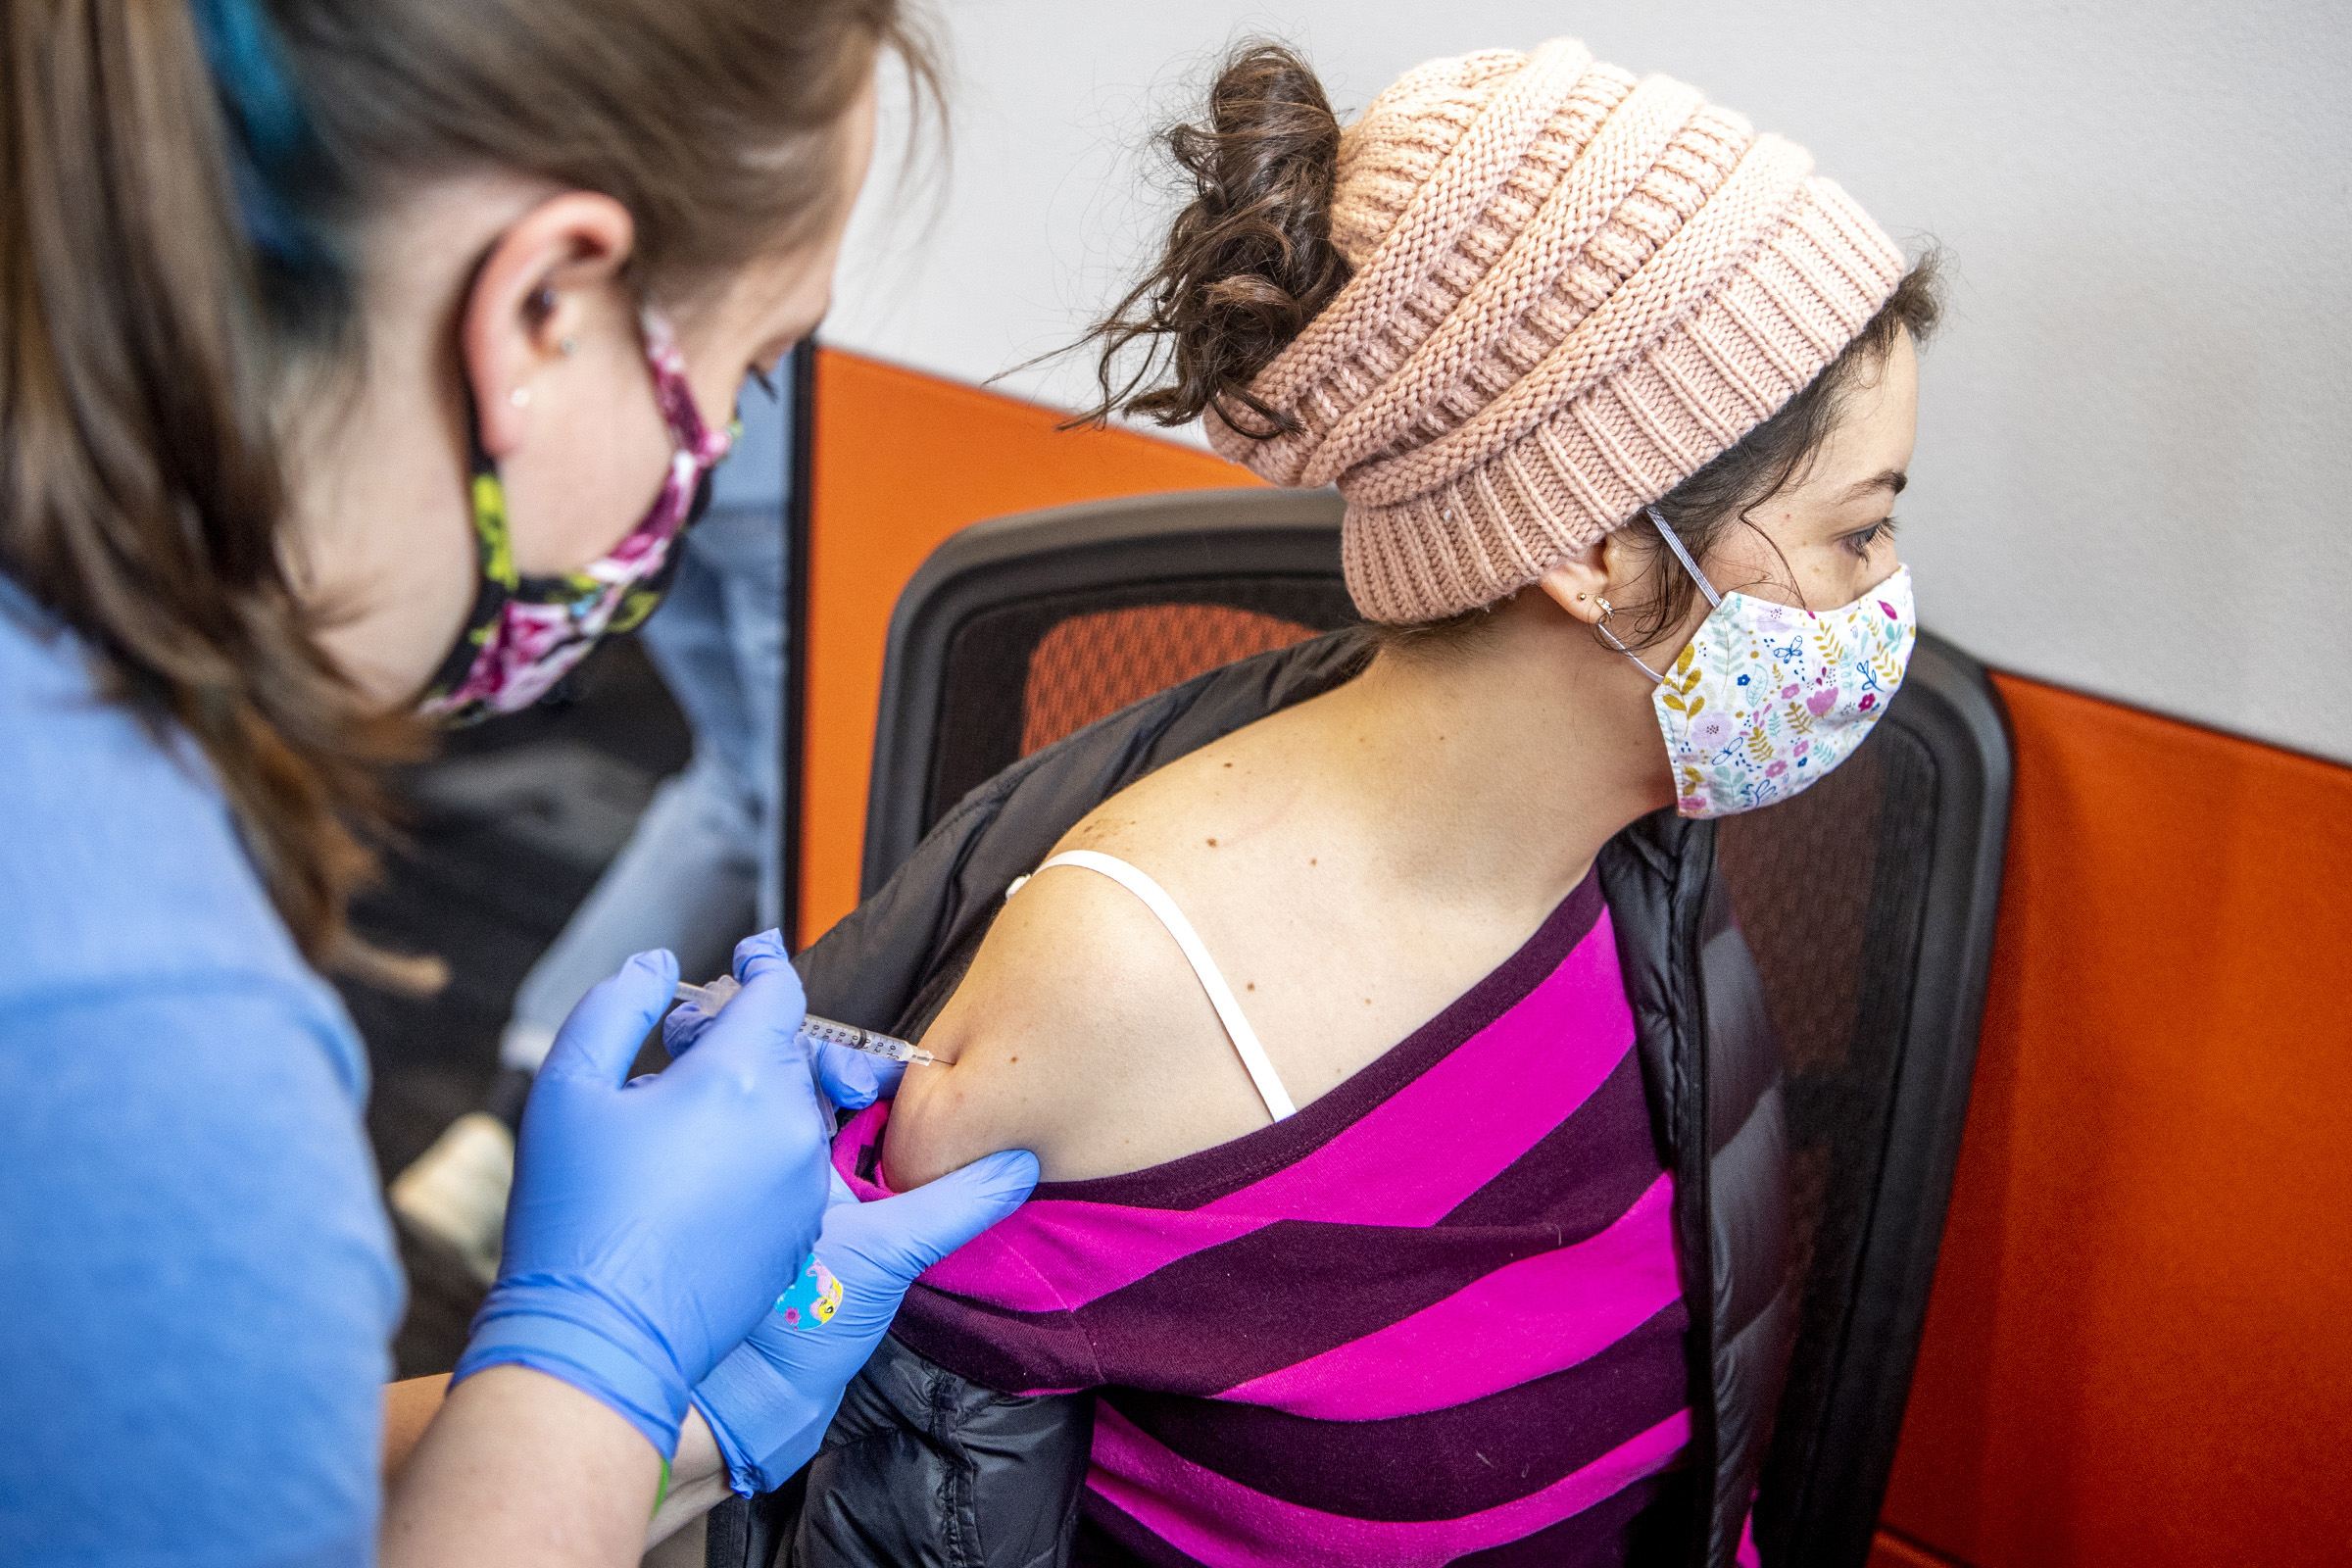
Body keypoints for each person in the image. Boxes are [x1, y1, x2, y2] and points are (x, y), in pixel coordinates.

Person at [768, 38, 1937, 1568]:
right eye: (1855, 538)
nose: (1886, 603)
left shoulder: (1635, 847)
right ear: (1594, 549)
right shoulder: (1123, 987)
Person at [0, 2, 1033, 1565]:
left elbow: (135, 1474)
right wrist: (593, 1350)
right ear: (544, 307)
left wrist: (651, 1412)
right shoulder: (145, 1055)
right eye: (749, 378)